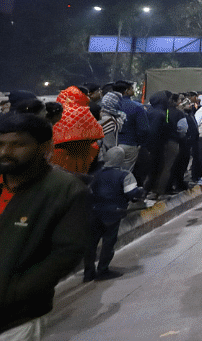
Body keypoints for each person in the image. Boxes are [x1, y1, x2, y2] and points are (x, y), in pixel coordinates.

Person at [0, 110, 91, 339]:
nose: (5, 152)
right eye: (0, 144)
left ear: (45, 146)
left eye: (18, 144)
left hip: (15, 320)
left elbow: (67, 253)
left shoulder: (65, 190)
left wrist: (11, 292)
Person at [83, 147, 144, 281]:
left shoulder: (95, 174)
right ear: (121, 159)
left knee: (91, 243)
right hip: (113, 213)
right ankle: (103, 270)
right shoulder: (125, 175)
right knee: (108, 242)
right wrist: (140, 191)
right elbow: (132, 194)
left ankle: (88, 273)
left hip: (94, 212)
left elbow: (88, 192)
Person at [51, 84, 104, 175]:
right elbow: (96, 134)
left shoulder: (59, 111)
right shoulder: (83, 111)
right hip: (82, 156)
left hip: (58, 156)